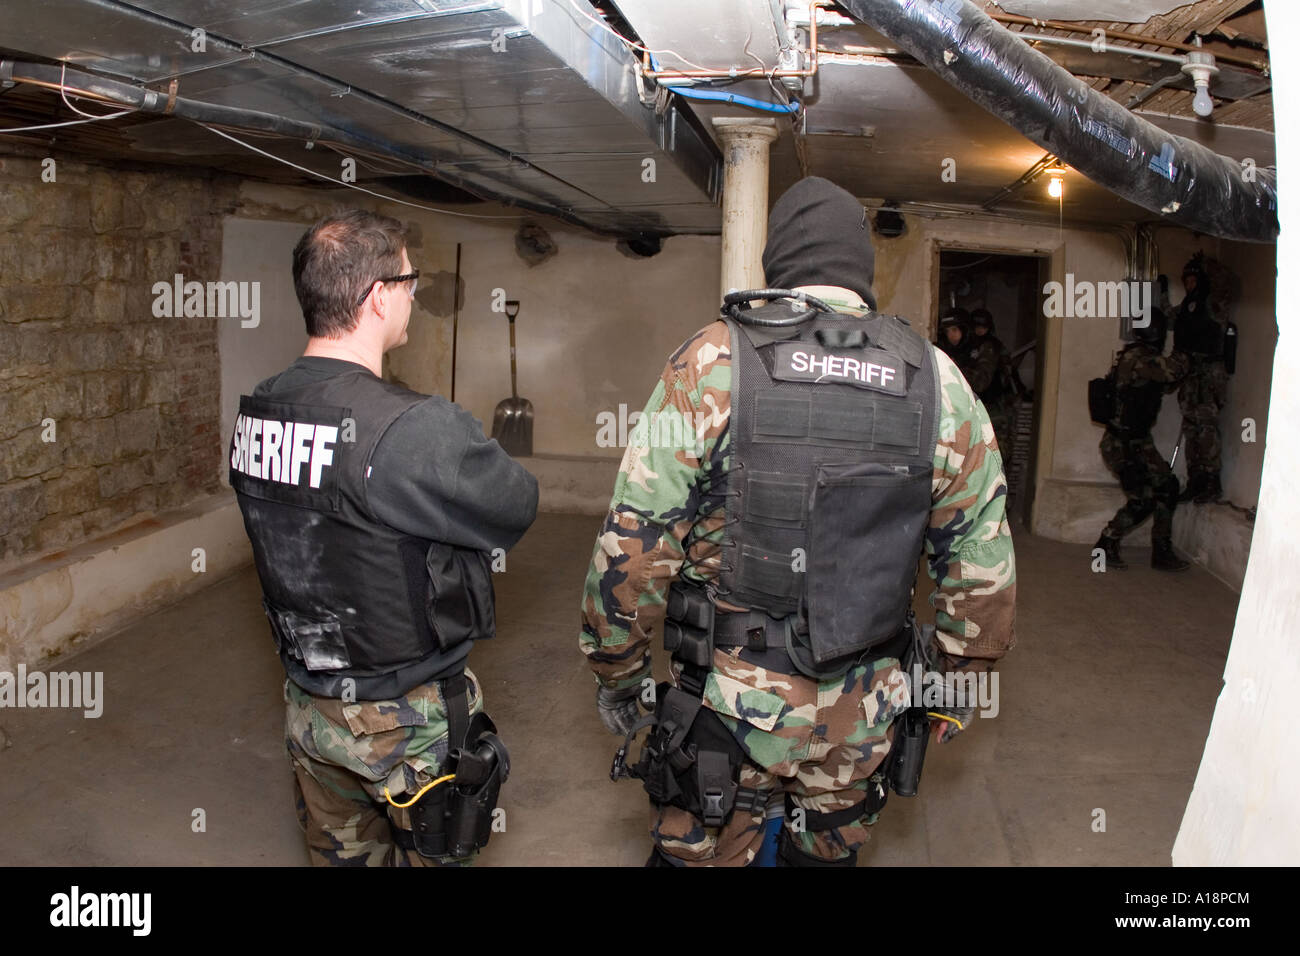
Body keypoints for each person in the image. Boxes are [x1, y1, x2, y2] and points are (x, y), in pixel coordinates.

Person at [579, 177, 1016, 867]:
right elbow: (980, 563)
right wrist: (955, 684)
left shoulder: (713, 361)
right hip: (864, 709)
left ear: (775, 263)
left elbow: (633, 548)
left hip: (724, 702)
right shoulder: (938, 379)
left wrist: (619, 673)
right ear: (861, 270)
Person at [228, 209, 538, 866]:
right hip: (408, 722)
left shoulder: (257, 412)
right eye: (408, 280)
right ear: (377, 298)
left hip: (310, 706)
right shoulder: (414, 428)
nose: (414, 294)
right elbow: (516, 505)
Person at [1093, 306, 1190, 572]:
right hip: (1122, 445)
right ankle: (1106, 542)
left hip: (1137, 441)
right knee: (1143, 499)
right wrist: (1186, 345)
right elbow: (1172, 372)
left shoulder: (1140, 357)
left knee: (1167, 486)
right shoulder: (1140, 358)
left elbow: (1165, 383)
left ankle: (1161, 550)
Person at [1173, 256, 1228, 503]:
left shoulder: (1212, 302)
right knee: (1190, 427)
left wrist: (1209, 265)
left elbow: (1224, 287)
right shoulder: (1187, 305)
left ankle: (1211, 480)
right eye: (1187, 281)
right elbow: (1170, 317)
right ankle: (1195, 478)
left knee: (1206, 428)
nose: (1190, 285)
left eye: (1194, 279)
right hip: (1190, 373)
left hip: (1208, 372)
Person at [965, 307, 1016, 457]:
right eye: (977, 327)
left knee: (997, 452)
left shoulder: (990, 346)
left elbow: (981, 382)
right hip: (985, 405)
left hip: (995, 405)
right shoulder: (973, 346)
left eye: (983, 327)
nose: (980, 330)